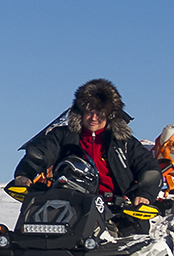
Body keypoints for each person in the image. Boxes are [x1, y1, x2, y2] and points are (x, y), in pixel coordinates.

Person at [10, 79, 162, 203]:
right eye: (89, 112)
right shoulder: (62, 136)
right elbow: (41, 153)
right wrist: (25, 174)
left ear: (109, 114)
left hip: (115, 208)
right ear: (81, 112)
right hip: (69, 203)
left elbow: (149, 168)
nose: (94, 118)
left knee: (134, 229)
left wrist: (145, 194)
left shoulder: (124, 142)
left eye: (100, 113)